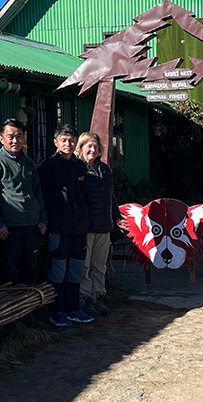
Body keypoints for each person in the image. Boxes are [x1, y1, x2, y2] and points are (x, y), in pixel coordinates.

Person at [0, 119, 47, 328]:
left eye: (19, 136)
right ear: (1, 138)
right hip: (10, 228)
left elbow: (37, 193)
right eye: (11, 136)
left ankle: (27, 312)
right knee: (9, 270)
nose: (16, 140)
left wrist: (43, 219)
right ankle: (9, 318)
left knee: (30, 268)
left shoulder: (28, 163)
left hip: (32, 226)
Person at [38, 124, 94, 326]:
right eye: (64, 140)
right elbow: (41, 198)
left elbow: (84, 197)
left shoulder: (80, 166)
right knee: (58, 272)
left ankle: (73, 309)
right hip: (58, 229)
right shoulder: (48, 167)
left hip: (79, 229)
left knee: (76, 271)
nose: (68, 144)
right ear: (56, 142)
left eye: (71, 140)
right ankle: (57, 311)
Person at [76, 132, 116, 317]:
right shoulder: (77, 169)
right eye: (88, 146)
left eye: (95, 146)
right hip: (86, 226)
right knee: (85, 265)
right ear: (82, 147)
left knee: (100, 265)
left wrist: (116, 216)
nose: (92, 150)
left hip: (104, 225)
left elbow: (111, 197)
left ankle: (97, 296)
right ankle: (84, 298)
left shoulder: (105, 169)